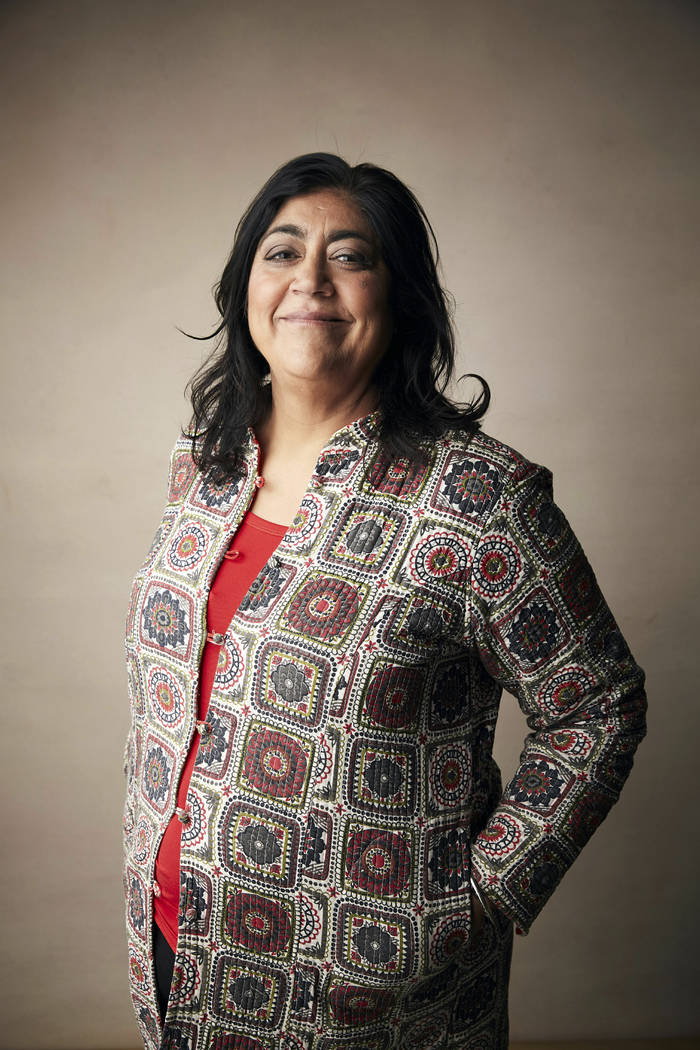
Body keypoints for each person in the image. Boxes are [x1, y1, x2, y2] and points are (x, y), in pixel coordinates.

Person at [122, 153, 647, 1050]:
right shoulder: (202, 468)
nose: (309, 282)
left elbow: (598, 705)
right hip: (179, 960)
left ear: (400, 296)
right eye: (281, 253)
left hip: (377, 1007)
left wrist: (475, 898)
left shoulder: (477, 500)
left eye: (351, 257)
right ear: (245, 286)